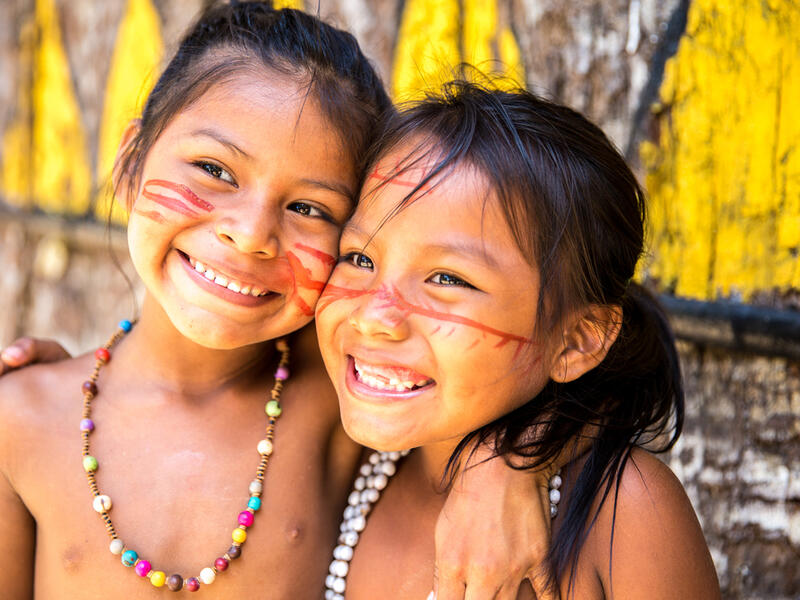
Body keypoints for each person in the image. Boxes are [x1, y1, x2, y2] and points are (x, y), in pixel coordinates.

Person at [0, 4, 558, 599]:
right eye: (214, 169)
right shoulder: (22, 420)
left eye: (310, 210)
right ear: (132, 163)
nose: (251, 234)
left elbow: (601, 351)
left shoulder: (349, 396)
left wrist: (508, 463)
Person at [313, 80, 722, 599]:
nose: (374, 317)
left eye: (449, 279)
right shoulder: (334, 462)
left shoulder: (625, 512)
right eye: (360, 258)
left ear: (575, 342)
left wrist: (514, 457)